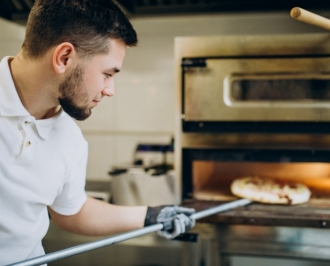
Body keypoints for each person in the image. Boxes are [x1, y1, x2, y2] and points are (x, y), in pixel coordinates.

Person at [0, 0, 195, 265]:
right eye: (107, 74)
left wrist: (150, 216)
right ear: (64, 58)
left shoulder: (69, 138)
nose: (110, 90)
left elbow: (72, 211)